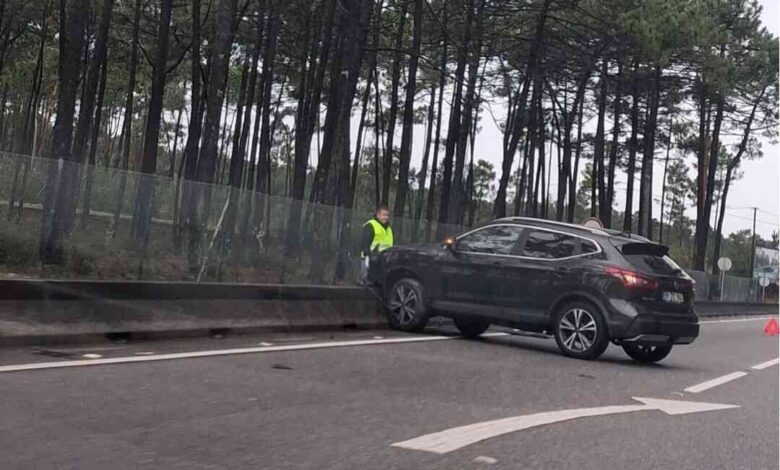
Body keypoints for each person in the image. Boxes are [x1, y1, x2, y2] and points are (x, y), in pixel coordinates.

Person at [358, 205, 393, 285]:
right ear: (378, 215)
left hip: (384, 259)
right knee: (366, 282)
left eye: (387, 215)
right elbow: (365, 242)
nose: (386, 217)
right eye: (384, 215)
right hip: (371, 258)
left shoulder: (388, 228)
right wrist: (368, 256)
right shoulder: (371, 225)